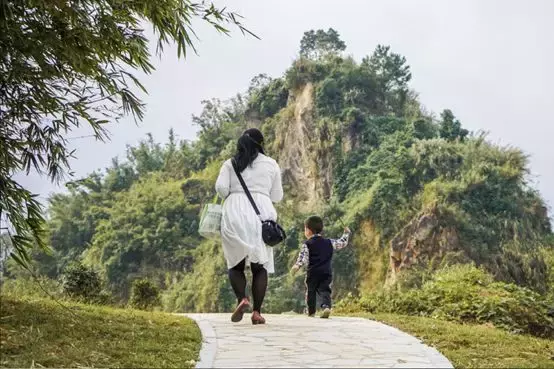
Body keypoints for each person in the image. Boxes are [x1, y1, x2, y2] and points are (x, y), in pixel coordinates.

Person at [215, 128, 283, 325]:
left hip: (234, 212)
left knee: (235, 264)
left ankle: (242, 298)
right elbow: (277, 196)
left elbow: (221, 189)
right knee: (259, 266)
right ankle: (257, 312)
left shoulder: (230, 164)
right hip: (260, 214)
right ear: (261, 144)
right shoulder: (271, 164)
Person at [291, 215, 351, 318]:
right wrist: (346, 233)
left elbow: (303, 257)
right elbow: (342, 243)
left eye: (305, 229)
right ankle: (326, 306)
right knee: (325, 290)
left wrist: (297, 266)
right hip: (326, 272)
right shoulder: (329, 242)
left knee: (311, 291)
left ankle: (311, 311)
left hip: (313, 272)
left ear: (308, 231)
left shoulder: (307, 244)